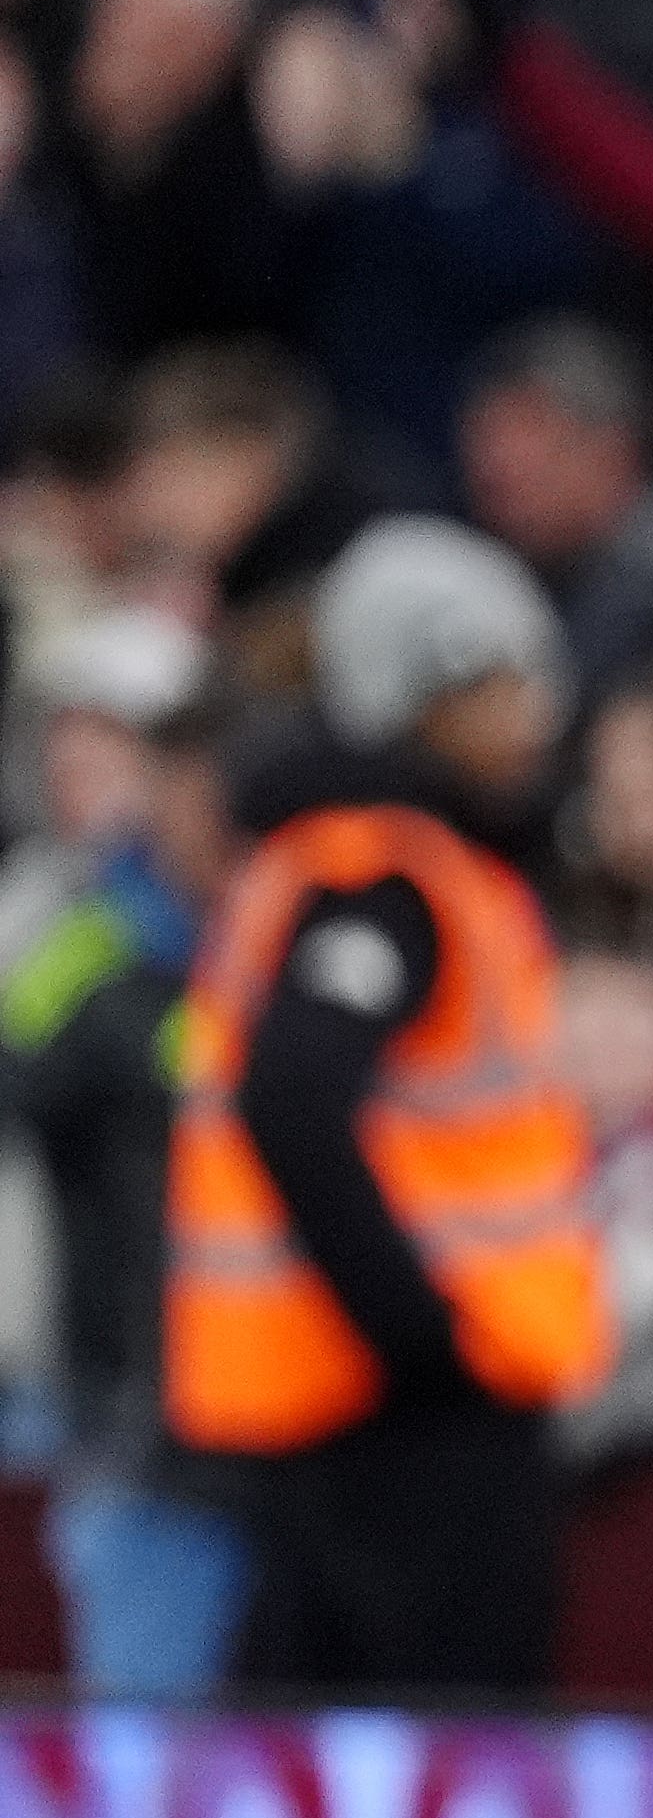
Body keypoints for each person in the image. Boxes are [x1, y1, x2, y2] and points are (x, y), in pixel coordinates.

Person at [163, 519, 610, 1693]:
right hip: (404, 1423)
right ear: (426, 699)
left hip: (364, 1412)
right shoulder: (386, 879)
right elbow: (294, 1100)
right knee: (440, 1763)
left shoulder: (368, 862)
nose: (533, 716)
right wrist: (423, 1336)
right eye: (501, 683)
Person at [3, 627, 242, 1694]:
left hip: (282, 1429)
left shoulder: (269, 934)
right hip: (135, 1428)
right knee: (145, 1754)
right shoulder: (82, 939)